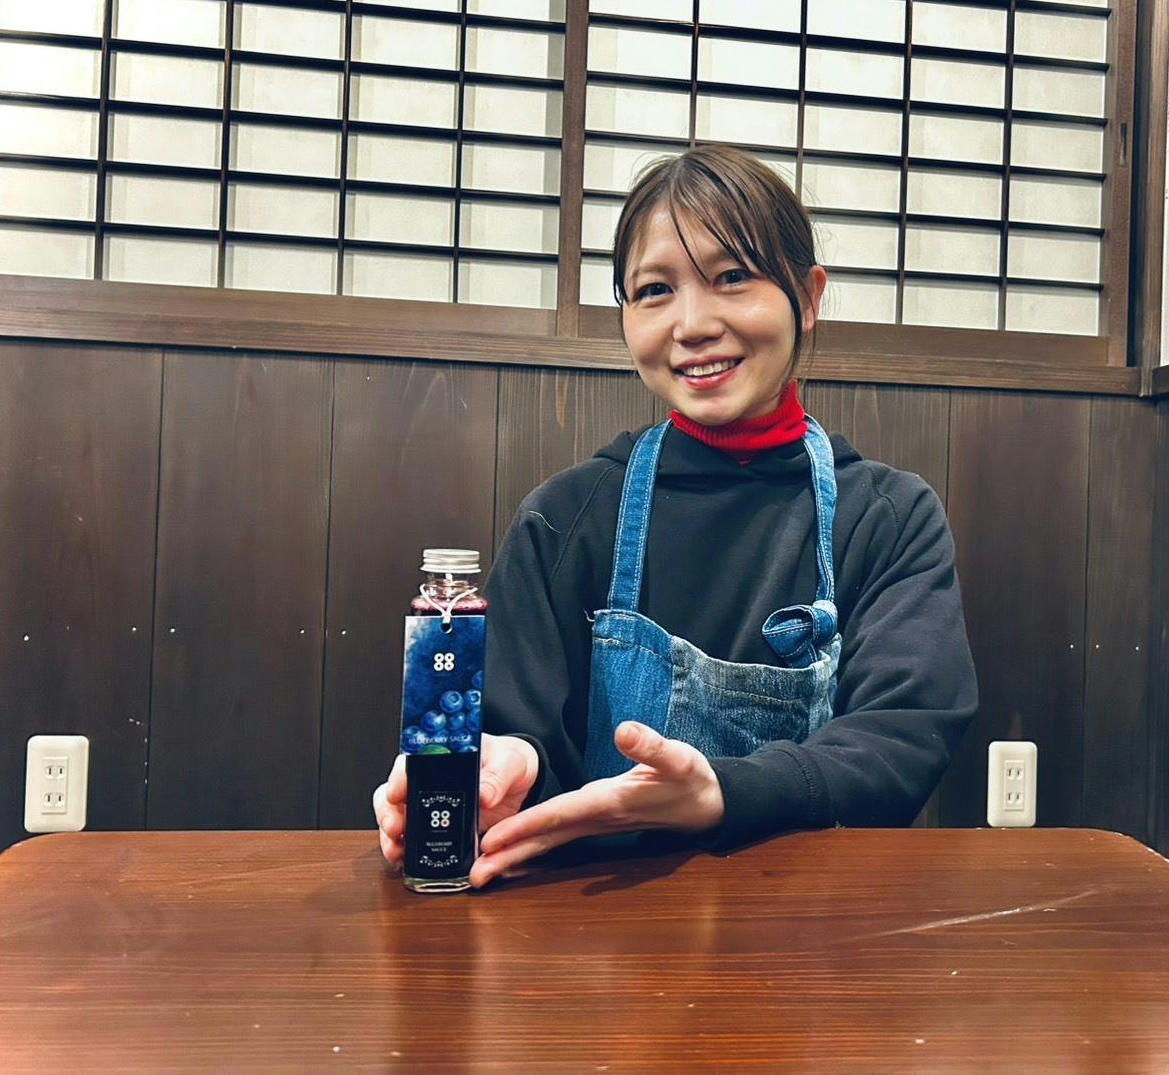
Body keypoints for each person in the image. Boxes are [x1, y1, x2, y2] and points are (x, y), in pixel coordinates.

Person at [375, 144, 978, 887]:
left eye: (732, 277)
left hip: (816, 926)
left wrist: (723, 792)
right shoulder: (568, 517)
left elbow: (902, 738)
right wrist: (497, 768)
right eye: (655, 290)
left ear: (807, 296)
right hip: (593, 927)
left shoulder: (886, 518)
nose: (692, 325)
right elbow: (520, 731)